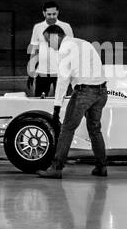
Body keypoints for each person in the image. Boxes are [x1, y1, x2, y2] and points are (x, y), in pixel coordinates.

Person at [36, 25, 108, 179]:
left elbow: (62, 79)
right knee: (95, 129)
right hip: (102, 92)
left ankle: (56, 168)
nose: (48, 44)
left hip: (84, 92)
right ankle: (101, 167)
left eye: (48, 40)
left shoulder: (64, 49)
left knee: (67, 129)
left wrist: (56, 107)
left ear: (56, 36)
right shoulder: (84, 43)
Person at [27, 1, 73, 98]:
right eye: (49, 14)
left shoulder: (66, 27)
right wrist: (31, 71)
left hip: (61, 72)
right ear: (44, 13)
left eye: (54, 14)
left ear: (58, 13)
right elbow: (34, 50)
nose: (52, 16)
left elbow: (71, 50)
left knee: (62, 102)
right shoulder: (38, 27)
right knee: (39, 101)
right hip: (42, 72)